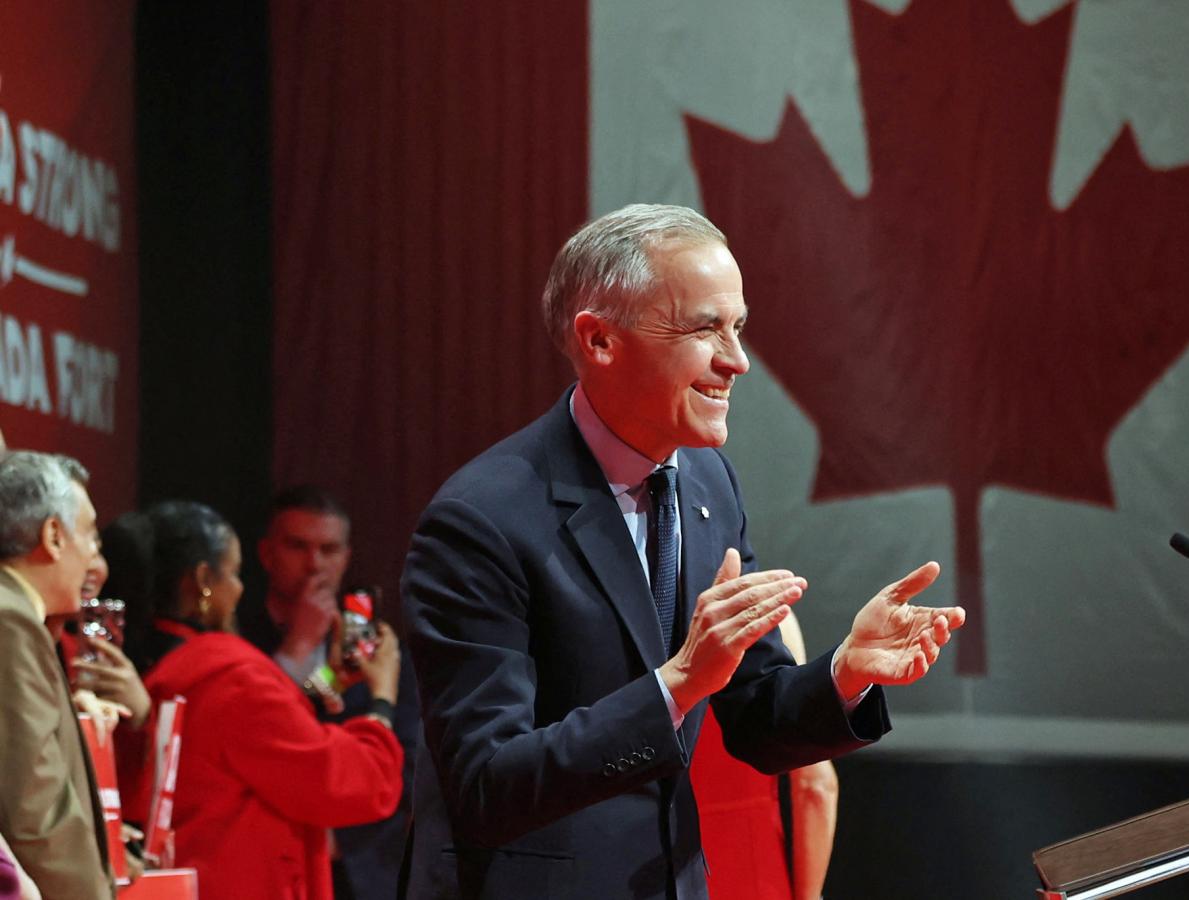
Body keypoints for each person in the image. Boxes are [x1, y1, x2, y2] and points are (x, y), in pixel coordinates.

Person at [402, 203, 965, 900]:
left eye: (738, 327)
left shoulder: (707, 482)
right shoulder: (480, 520)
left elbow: (755, 716)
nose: (738, 360)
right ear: (599, 340)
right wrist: (677, 685)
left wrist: (844, 673)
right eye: (705, 329)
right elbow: (486, 784)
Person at [125, 500, 406, 900]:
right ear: (204, 580)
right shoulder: (230, 673)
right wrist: (383, 698)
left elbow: (272, 729)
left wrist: (330, 680)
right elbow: (347, 782)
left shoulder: (148, 660)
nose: (240, 589)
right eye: (234, 574)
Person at [236, 486, 419, 900]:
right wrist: (297, 647)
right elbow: (264, 736)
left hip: (362, 871)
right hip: (270, 865)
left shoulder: (376, 651)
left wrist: (334, 838)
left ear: (346, 557)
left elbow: (410, 763)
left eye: (329, 549)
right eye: (297, 546)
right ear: (267, 553)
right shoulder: (238, 638)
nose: (314, 563)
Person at [0, 451, 116, 899]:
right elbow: (35, 808)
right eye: (89, 535)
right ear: (52, 535)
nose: (93, 558)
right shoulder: (9, 620)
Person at [692, 613, 839, 900]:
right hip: (752, 871)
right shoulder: (770, 616)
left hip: (645, 871)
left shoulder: (629, 616)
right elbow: (815, 785)